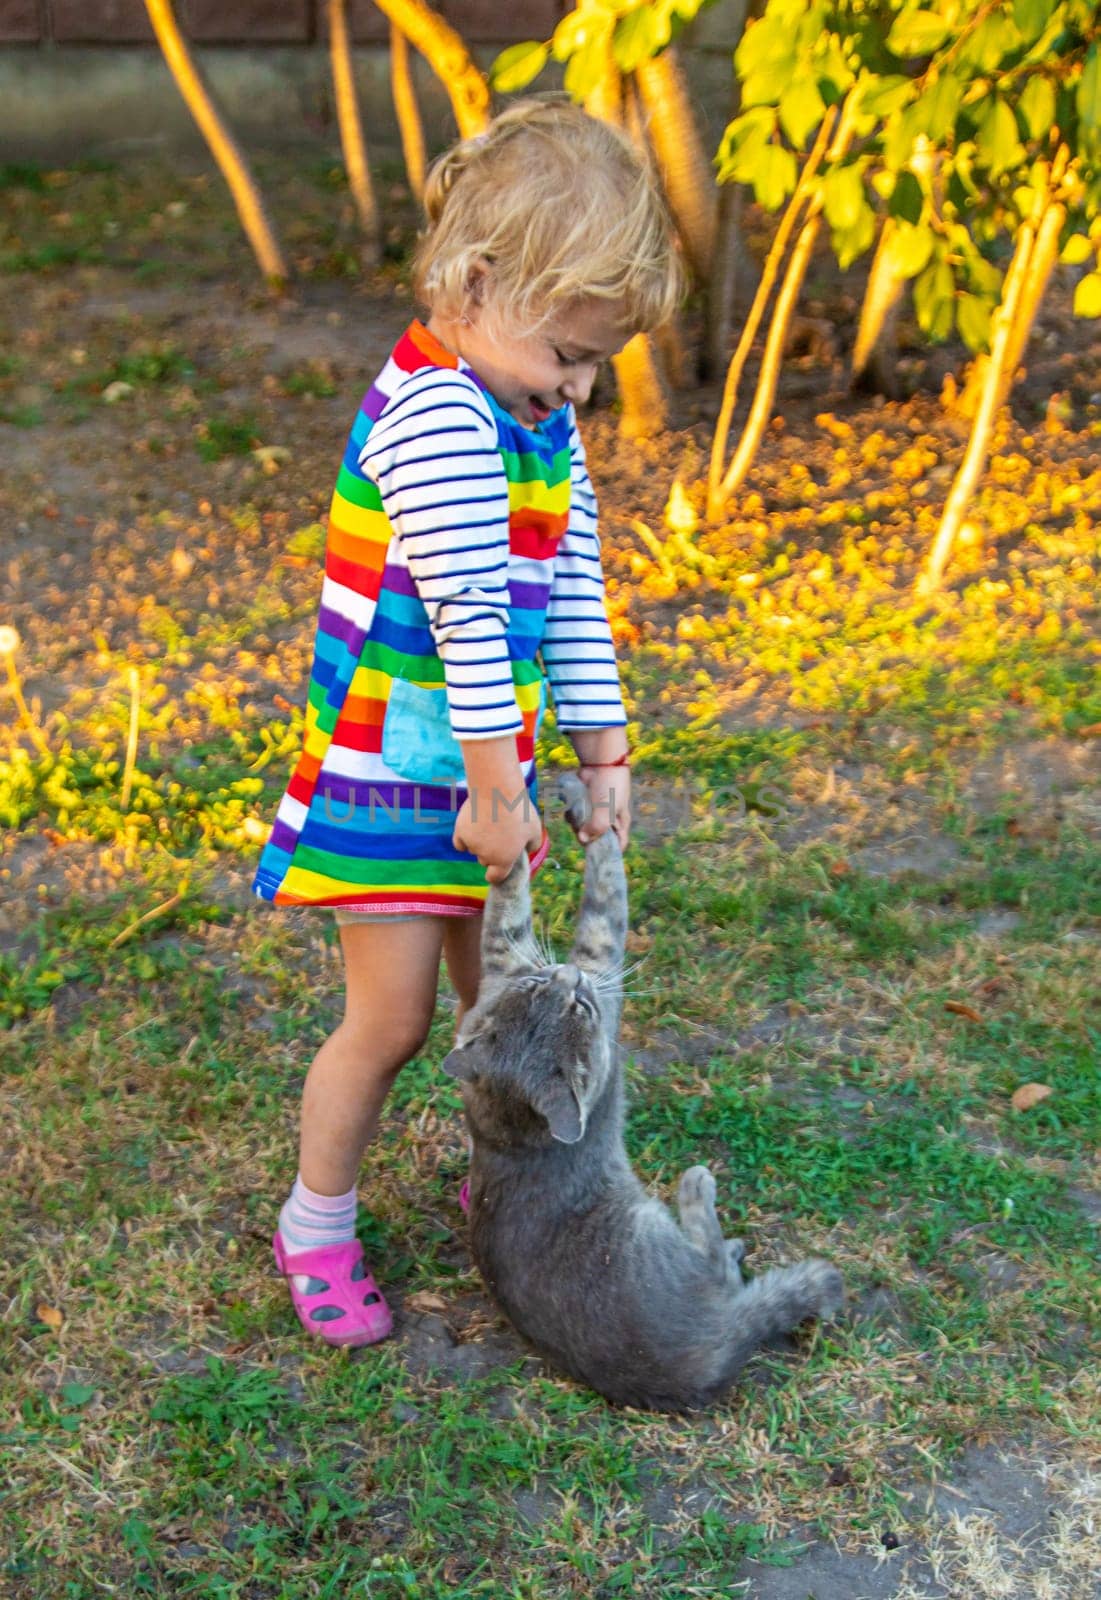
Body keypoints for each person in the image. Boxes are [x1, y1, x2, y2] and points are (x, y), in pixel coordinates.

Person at [251, 96, 681, 1347]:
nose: (583, 390)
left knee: (506, 1002)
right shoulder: (437, 416)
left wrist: (601, 745)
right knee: (388, 1023)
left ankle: (503, 1177)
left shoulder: (537, 415)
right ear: (480, 284)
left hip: (484, 783)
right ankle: (315, 1220)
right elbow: (471, 619)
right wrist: (500, 792)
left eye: (598, 364)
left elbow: (572, 593)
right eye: (566, 352)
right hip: (397, 786)